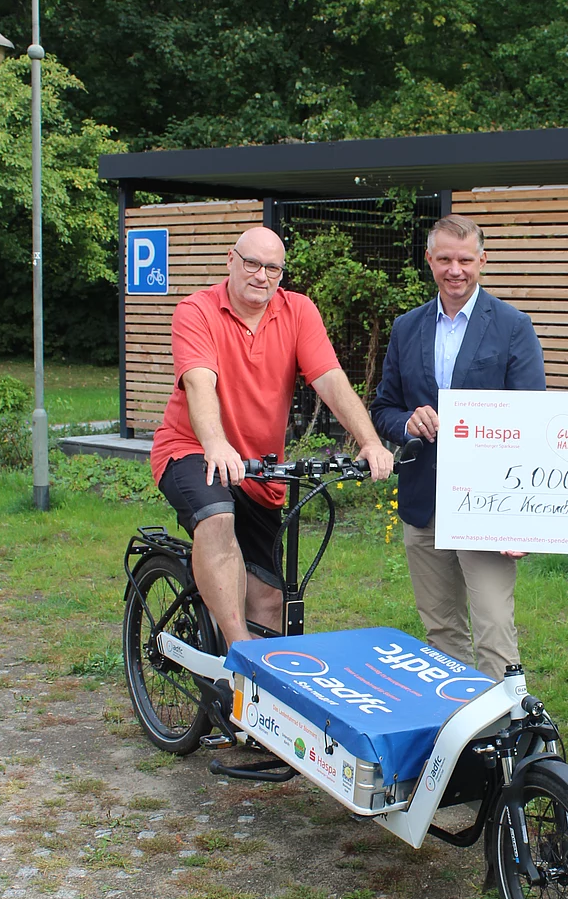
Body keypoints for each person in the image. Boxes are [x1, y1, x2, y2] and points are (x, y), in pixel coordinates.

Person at [150, 226, 394, 646]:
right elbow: (198, 382)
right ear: (231, 259)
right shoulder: (197, 311)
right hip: (193, 450)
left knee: (269, 599)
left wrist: (369, 441)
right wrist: (214, 442)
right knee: (217, 517)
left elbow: (331, 380)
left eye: (273, 268)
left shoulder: (297, 311)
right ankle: (237, 650)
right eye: (252, 263)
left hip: (260, 468)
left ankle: (256, 697)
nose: (261, 276)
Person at [371, 213, 546, 680]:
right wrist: (408, 421)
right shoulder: (406, 327)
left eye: (465, 260)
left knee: (493, 627)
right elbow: (383, 408)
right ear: (429, 260)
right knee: (441, 630)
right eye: (445, 258)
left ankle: (504, 734)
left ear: (482, 261)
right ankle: (456, 731)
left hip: (488, 506)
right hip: (424, 500)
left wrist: (521, 518)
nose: (455, 270)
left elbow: (533, 421)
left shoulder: (513, 326)